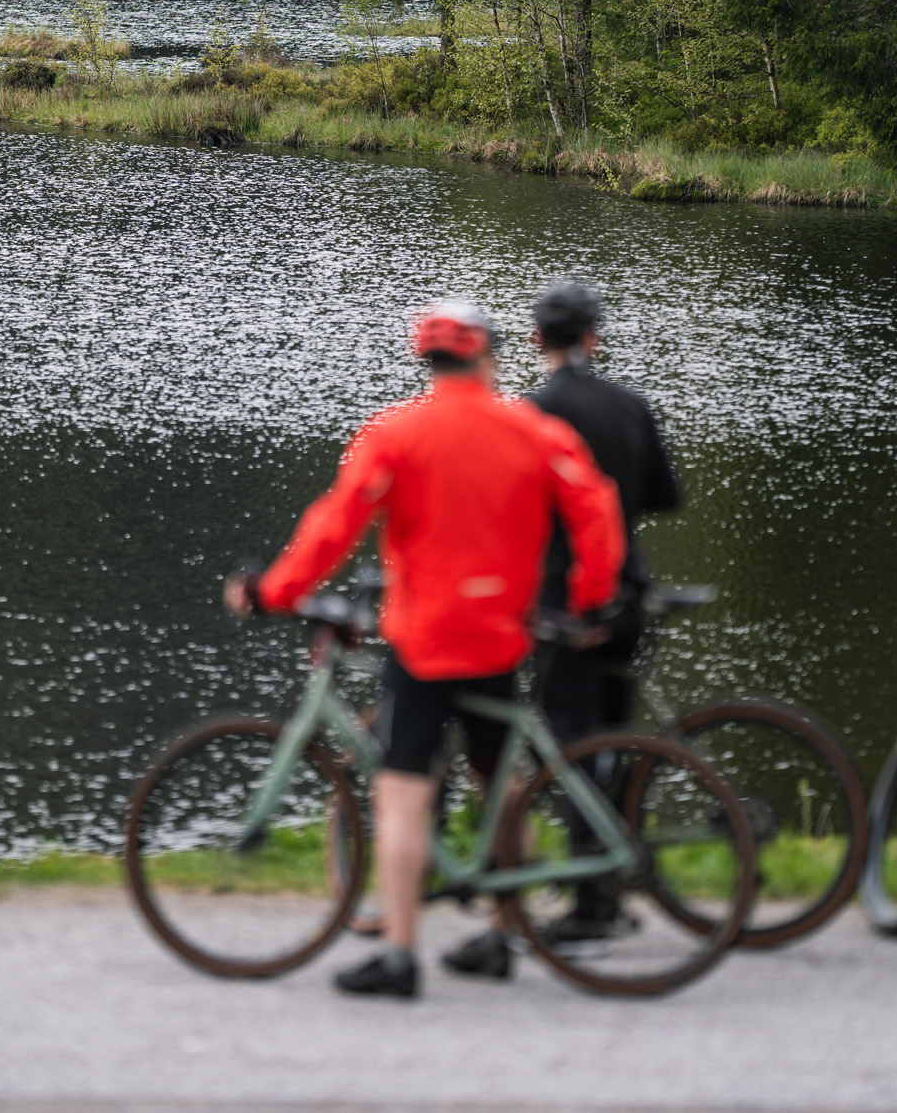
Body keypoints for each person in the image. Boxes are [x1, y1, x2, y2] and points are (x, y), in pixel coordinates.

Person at [225, 301, 625, 999]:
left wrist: (277, 591)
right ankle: (503, 932)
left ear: (428, 361)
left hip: (424, 642)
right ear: (487, 358)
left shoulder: (396, 432)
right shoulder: (532, 429)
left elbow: (336, 522)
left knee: (402, 795)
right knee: (502, 786)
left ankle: (401, 954)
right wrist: (589, 596)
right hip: (500, 635)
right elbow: (596, 505)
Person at [442, 282, 681, 981]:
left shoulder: (535, 411)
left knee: (572, 747)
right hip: (627, 599)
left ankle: (590, 907)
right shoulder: (630, 404)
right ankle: (608, 884)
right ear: (593, 339)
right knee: (611, 742)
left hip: (567, 607)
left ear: (534, 341)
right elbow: (668, 496)